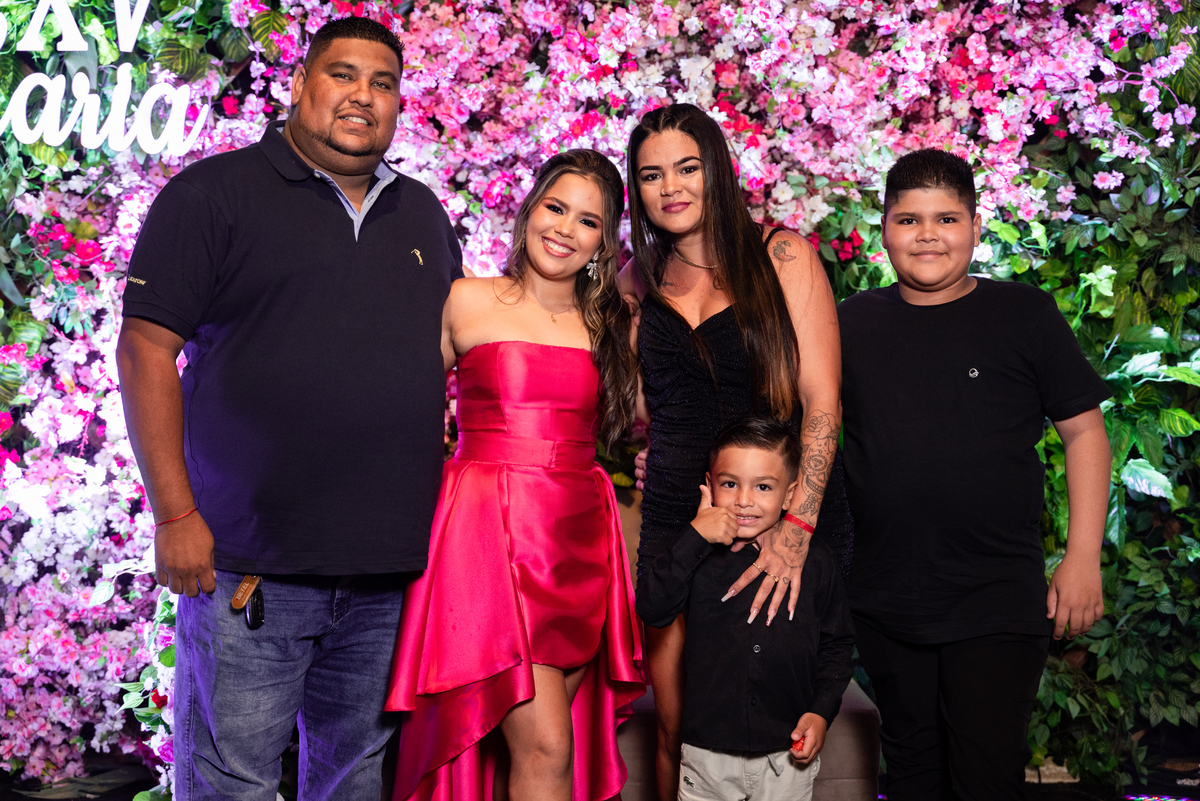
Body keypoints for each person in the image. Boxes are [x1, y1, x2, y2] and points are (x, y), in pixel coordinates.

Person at [115, 18, 462, 800]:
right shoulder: (212, 195)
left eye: (382, 83)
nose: (362, 96)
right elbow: (144, 350)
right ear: (300, 84)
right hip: (251, 568)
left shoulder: (421, 214)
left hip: (387, 575)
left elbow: (445, 355)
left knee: (353, 781)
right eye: (343, 74)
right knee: (230, 784)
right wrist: (174, 515)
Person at [838, 148, 1112, 800]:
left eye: (946, 219)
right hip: (884, 595)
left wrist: (1082, 556)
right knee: (912, 774)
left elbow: (1085, 433)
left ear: (975, 226)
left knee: (985, 776)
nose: (927, 235)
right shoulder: (849, 322)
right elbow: (801, 426)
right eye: (909, 220)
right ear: (883, 228)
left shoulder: (1024, 313)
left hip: (996, 594)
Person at [384, 149, 645, 801]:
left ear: (604, 242)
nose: (565, 228)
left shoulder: (613, 324)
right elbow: (401, 410)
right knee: (548, 745)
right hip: (487, 538)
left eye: (588, 221)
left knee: (533, 754)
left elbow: (662, 415)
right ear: (530, 209)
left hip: (577, 545)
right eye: (556, 207)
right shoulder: (467, 299)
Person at [620, 102, 852, 801]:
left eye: (687, 168)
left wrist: (797, 528)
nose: (671, 187)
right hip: (678, 516)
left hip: (774, 510)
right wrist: (651, 448)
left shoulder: (781, 256)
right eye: (652, 175)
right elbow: (638, 405)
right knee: (675, 724)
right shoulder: (635, 281)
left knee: (768, 724)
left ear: (717, 170)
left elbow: (823, 403)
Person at [637, 417, 854, 801]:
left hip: (786, 755)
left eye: (763, 487)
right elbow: (653, 608)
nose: (744, 500)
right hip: (706, 757)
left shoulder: (816, 562)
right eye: (730, 484)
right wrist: (695, 536)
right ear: (710, 485)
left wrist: (821, 711)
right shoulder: (696, 555)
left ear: (789, 495)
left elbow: (836, 646)